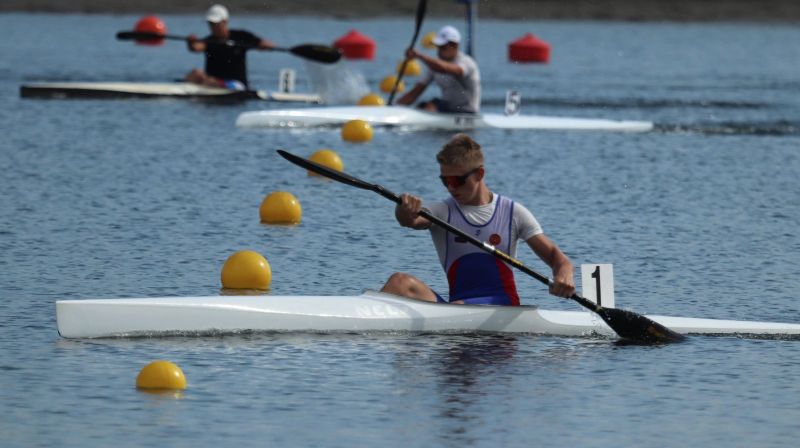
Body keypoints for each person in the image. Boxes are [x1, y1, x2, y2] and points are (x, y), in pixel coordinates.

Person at [381, 134, 575, 305]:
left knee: (457, 306)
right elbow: (409, 221)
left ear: (479, 174)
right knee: (399, 282)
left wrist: (563, 275)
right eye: (445, 181)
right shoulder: (442, 211)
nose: (451, 187)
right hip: (457, 306)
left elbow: (557, 258)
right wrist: (403, 208)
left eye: (457, 180)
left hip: (502, 306)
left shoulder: (513, 213)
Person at [185, 4, 276, 90]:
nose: (212, 27)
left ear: (225, 21)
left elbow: (266, 44)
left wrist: (264, 46)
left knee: (209, 81)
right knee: (196, 73)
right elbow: (195, 48)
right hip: (212, 83)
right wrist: (190, 42)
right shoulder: (209, 40)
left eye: (215, 23)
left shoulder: (241, 37)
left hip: (237, 85)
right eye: (210, 24)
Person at [397, 25, 481, 114]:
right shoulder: (434, 67)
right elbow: (415, 92)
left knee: (432, 106)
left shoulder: (467, 62)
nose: (439, 50)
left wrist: (419, 56)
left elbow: (445, 69)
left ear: (455, 45)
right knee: (425, 106)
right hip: (447, 110)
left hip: (468, 112)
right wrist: (394, 107)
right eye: (438, 47)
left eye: (443, 47)